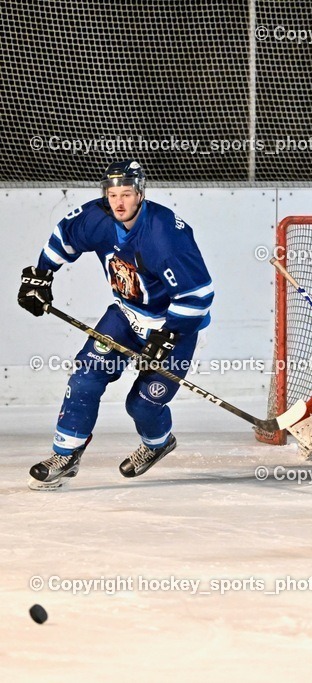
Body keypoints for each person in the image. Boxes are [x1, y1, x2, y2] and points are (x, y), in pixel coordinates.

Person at [18, 161, 214, 490]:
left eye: (126, 194)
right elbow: (64, 237)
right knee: (85, 378)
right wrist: (41, 275)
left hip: (174, 326)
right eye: (112, 194)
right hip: (124, 316)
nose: (118, 202)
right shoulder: (98, 217)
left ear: (140, 195)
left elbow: (198, 295)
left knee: (142, 403)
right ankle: (64, 456)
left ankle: (158, 443)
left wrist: (167, 337)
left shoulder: (165, 235)